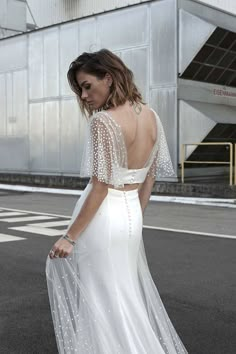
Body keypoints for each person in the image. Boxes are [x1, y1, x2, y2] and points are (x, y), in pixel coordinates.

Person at [45, 49, 188, 354]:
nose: (84, 96)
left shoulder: (103, 122)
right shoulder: (151, 116)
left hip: (104, 218)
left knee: (102, 296)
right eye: (79, 90)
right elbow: (150, 177)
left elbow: (100, 186)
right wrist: (134, 213)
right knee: (122, 292)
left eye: (87, 86)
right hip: (130, 216)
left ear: (108, 78)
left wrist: (70, 236)